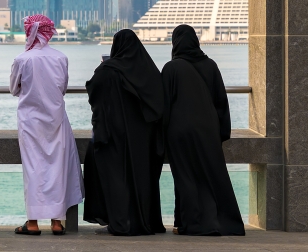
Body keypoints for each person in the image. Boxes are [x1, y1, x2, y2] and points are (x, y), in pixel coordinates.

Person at [162, 25, 245, 236]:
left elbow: (163, 105)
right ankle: (217, 221)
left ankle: (188, 223)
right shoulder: (211, 66)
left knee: (184, 177)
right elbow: (221, 102)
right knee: (211, 175)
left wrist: (160, 134)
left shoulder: (171, 69)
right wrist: (221, 132)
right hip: (207, 131)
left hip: (179, 132)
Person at [82, 29, 166, 236]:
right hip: (144, 138)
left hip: (113, 135)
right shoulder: (150, 71)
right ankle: (145, 221)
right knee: (142, 179)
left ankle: (121, 222)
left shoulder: (108, 70)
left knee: (116, 178)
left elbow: (94, 91)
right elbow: (159, 104)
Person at [10, 14, 82, 236]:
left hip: (31, 123)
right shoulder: (61, 58)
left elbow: (14, 89)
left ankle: (32, 223)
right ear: (49, 32)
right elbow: (62, 88)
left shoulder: (23, 59)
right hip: (57, 120)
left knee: (33, 170)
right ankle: (57, 222)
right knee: (57, 168)